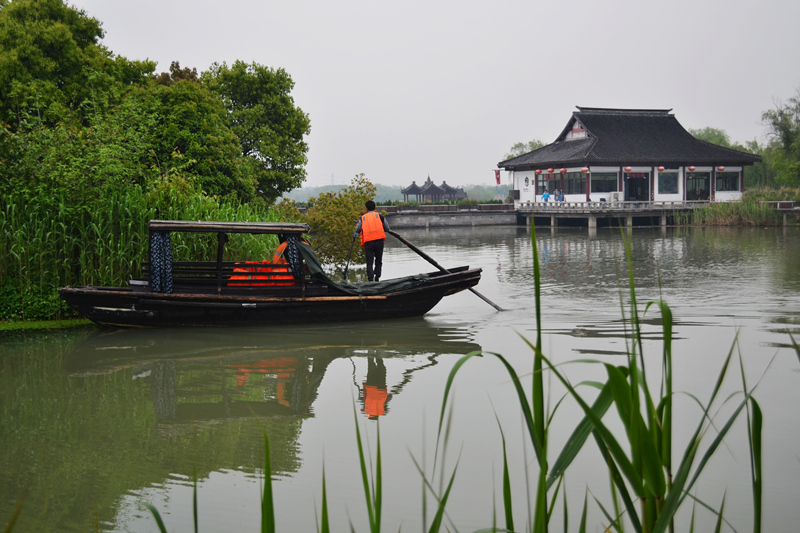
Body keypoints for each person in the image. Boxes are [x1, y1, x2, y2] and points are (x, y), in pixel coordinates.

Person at [353, 200, 391, 282]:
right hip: (379, 241)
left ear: (366, 209)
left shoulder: (363, 218)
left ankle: (370, 279)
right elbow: (387, 228)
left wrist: (356, 231)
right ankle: (377, 277)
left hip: (368, 242)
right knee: (378, 260)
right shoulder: (380, 216)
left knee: (369, 262)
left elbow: (358, 229)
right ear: (375, 208)